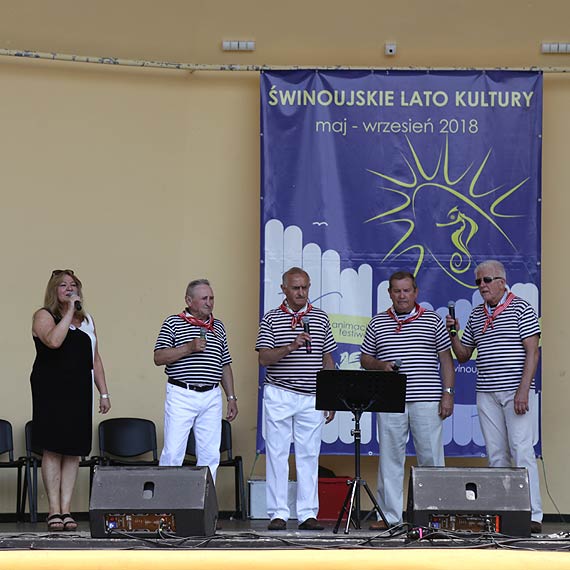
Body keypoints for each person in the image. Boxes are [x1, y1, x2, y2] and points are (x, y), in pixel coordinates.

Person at [446, 260, 543, 533]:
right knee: (496, 454)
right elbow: (463, 354)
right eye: (478, 282)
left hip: (515, 390)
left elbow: (532, 352)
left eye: (486, 281)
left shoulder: (522, 308)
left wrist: (524, 389)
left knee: (522, 451)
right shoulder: (477, 315)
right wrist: (453, 332)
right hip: (486, 392)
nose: (482, 286)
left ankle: (533, 514)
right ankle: (504, 512)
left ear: (502, 281)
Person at [360, 270, 455, 530]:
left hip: (426, 399)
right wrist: (381, 365)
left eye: (406, 290)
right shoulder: (377, 322)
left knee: (431, 459)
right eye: (396, 291)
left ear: (416, 292)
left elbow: (446, 360)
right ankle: (390, 517)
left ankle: (436, 517)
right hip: (389, 399)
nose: (402, 295)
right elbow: (364, 359)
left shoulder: (433, 321)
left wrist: (447, 394)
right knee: (390, 459)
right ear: (389, 293)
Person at [256, 267, 337, 531]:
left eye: (305, 287)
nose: (301, 293)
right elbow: (263, 358)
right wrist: (291, 345)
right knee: (277, 454)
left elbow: (327, 358)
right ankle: (277, 513)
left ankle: (307, 514)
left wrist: (330, 397)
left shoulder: (321, 318)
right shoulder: (270, 319)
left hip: (312, 396)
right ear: (284, 289)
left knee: (309, 455)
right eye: (295, 288)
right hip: (279, 392)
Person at [31, 269, 111, 531]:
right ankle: (53, 510)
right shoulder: (44, 316)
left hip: (79, 388)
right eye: (63, 285)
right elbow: (53, 341)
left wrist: (104, 392)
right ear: (54, 290)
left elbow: (95, 358)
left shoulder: (87, 319)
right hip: (52, 388)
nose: (68, 288)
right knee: (53, 447)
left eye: (73, 284)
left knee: (74, 449)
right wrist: (67, 312)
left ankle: (67, 510)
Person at [154, 278, 238, 481]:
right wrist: (188, 348)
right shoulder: (173, 322)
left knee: (210, 455)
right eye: (204, 298)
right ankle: (166, 506)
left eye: (211, 298)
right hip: (182, 393)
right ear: (189, 300)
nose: (209, 302)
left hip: (211, 395)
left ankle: (205, 508)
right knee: (174, 453)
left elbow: (224, 363)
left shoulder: (218, 326)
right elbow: (158, 357)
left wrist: (231, 397)